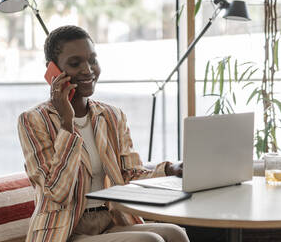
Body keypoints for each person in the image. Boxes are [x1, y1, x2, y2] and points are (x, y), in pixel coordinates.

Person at [18, 25, 189, 242]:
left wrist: (170, 169)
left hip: (109, 222)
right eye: (75, 63)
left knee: (175, 233)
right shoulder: (33, 120)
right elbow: (56, 193)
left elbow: (129, 175)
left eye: (92, 60)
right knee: (149, 241)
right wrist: (67, 123)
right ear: (52, 69)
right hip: (64, 232)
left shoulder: (112, 115)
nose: (87, 69)